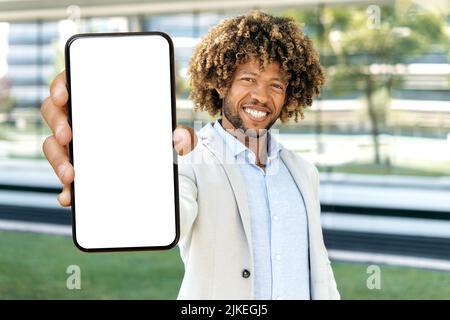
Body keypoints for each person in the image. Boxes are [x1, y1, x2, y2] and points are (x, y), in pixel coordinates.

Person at [41, 10, 340, 300]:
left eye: (276, 85)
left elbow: (320, 268)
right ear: (222, 83)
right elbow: (163, 218)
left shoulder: (303, 171)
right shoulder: (189, 160)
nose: (261, 96)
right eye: (248, 79)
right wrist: (114, 157)